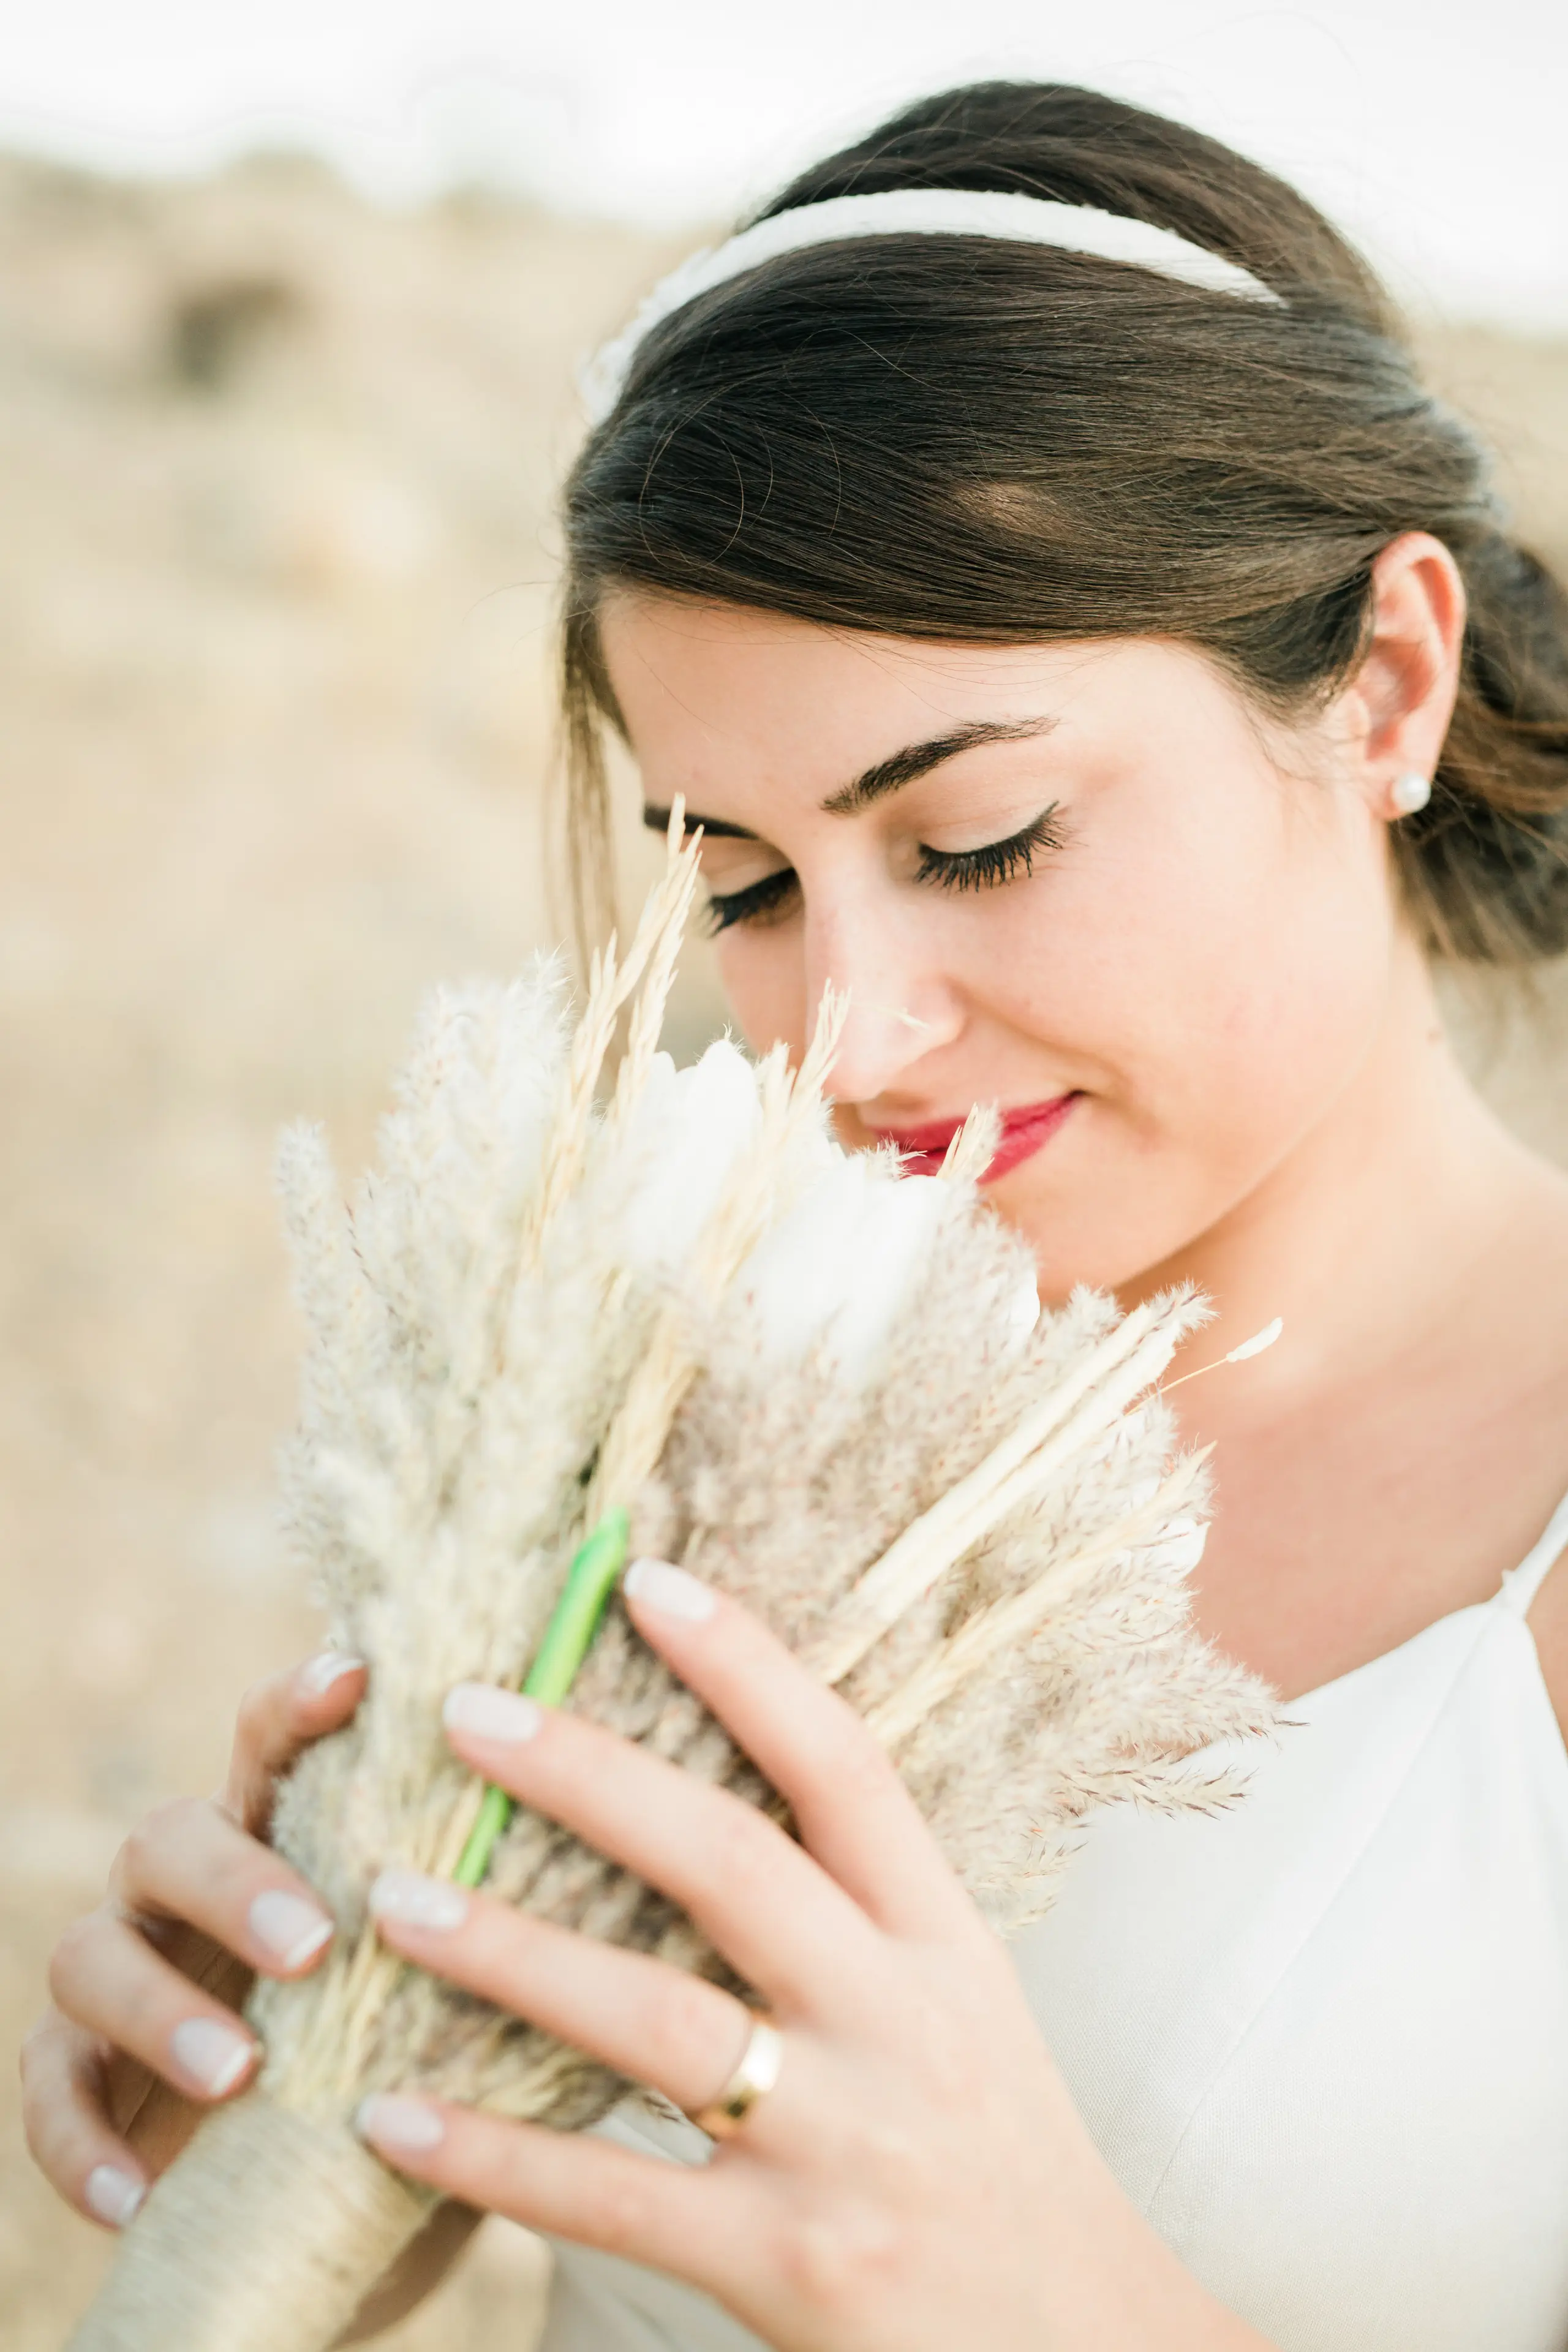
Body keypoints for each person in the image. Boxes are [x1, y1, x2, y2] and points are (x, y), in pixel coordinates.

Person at [23, 78, 1568, 2352]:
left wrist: (1051, 2305)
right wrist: (314, 2187)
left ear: (1387, 685)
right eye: (741, 883)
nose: (840, 1041)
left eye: (981, 840)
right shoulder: (701, 1414)